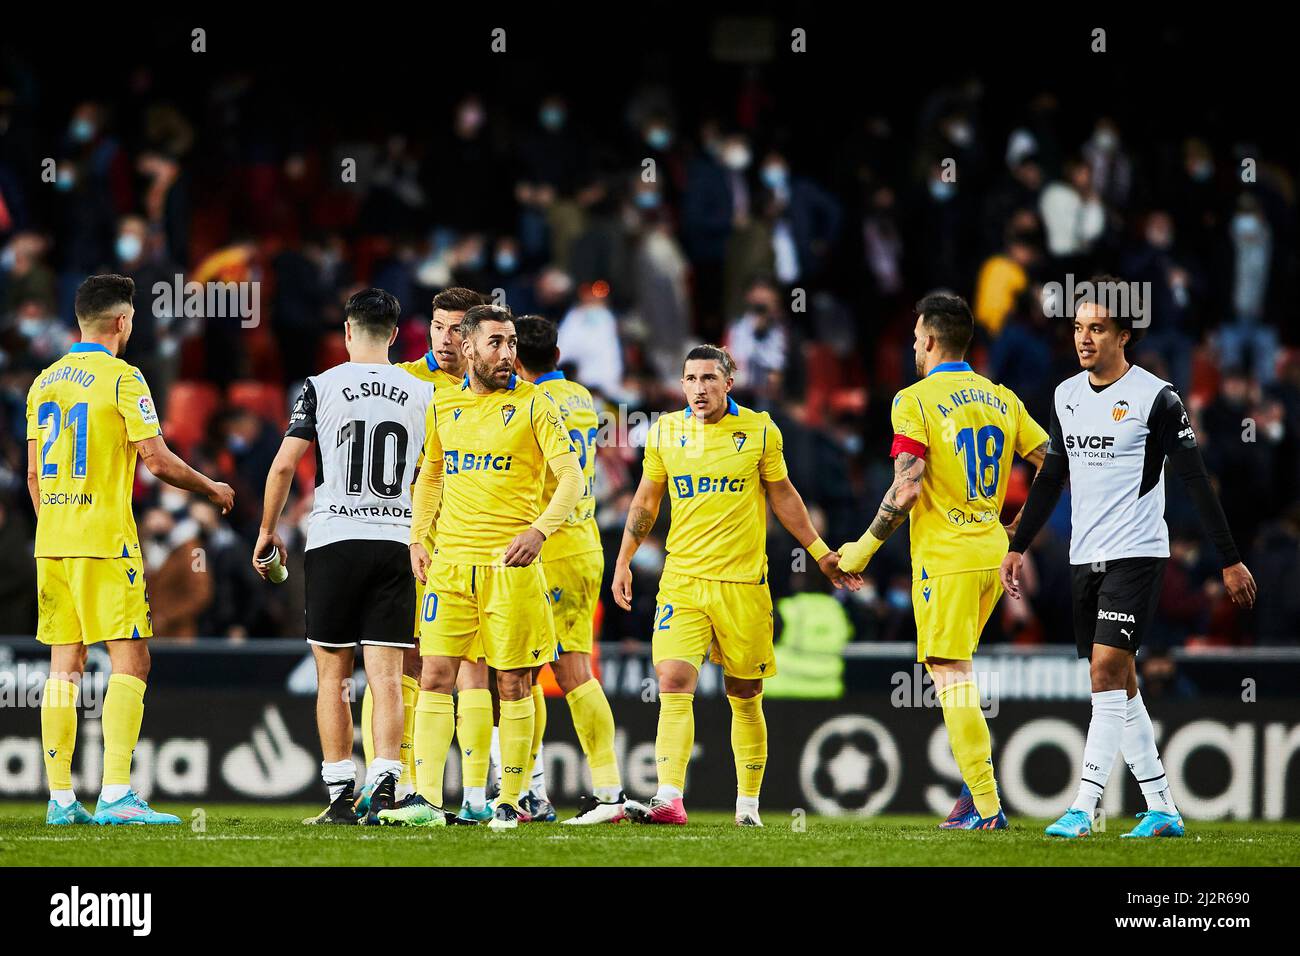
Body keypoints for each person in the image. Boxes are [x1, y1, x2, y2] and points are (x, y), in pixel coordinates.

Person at [1001, 282, 1257, 838]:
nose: (1084, 339)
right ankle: (1163, 807)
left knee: (1104, 670)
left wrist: (1229, 559)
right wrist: (1018, 545)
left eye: (1096, 329)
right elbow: (1051, 477)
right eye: (1077, 328)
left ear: (1124, 335)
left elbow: (1194, 480)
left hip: (1137, 553)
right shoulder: (1066, 395)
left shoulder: (1157, 398)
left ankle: (1085, 804)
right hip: (1083, 556)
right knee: (1123, 679)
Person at [612, 345, 860, 827]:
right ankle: (669, 797)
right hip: (682, 581)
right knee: (673, 681)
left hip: (743, 584)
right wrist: (623, 560)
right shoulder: (665, 431)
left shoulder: (760, 430)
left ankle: (747, 806)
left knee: (744, 693)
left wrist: (821, 553)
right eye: (690, 378)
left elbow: (784, 496)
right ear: (681, 384)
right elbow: (645, 502)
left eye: (709, 378)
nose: (699, 388)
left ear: (729, 381)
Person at [836, 292, 1049, 830]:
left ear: (929, 340)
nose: (913, 346)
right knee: (960, 675)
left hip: (947, 561)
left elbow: (905, 490)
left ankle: (986, 806)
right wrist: (1018, 529)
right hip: (993, 559)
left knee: (950, 675)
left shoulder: (914, 400)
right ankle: (968, 798)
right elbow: (1056, 464)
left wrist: (860, 550)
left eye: (915, 339)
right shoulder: (1002, 397)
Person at [28, 274, 234, 825]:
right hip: (103, 541)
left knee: (63, 667)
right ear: (122, 321)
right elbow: (158, 460)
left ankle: (60, 798)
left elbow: (32, 475)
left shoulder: (43, 382)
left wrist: (57, 524)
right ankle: (116, 793)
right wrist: (211, 487)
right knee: (132, 659)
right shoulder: (123, 378)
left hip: (52, 543)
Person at [381, 304, 584, 830]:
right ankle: (425, 800)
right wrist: (417, 538)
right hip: (450, 567)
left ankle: (511, 800)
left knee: (514, 682)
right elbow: (430, 476)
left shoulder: (535, 404)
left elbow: (571, 479)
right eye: (496, 343)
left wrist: (540, 530)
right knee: (435, 677)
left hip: (510, 568)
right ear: (468, 349)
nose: (508, 354)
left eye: (513, 343)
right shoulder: (443, 405)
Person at [253, 288, 434, 826]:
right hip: (396, 540)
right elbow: (434, 472)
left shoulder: (321, 386)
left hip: (334, 540)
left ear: (348, 333)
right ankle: (385, 790)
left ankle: (338, 797)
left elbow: (285, 467)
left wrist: (267, 530)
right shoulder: (423, 392)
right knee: (387, 675)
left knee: (333, 675)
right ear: (396, 335)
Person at [354, 287, 500, 823]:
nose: (444, 338)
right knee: (400, 658)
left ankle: (481, 796)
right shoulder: (404, 381)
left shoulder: (499, 393)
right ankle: (390, 782)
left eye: (457, 328)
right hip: (406, 539)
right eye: (437, 326)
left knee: (475, 667)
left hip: (474, 545)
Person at [512, 315, 625, 824]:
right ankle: (603, 790)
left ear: (515, 360)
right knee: (572, 666)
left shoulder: (529, 404)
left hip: (546, 546)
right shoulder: (585, 399)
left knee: (522, 670)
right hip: (586, 542)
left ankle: (529, 792)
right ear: (557, 357)